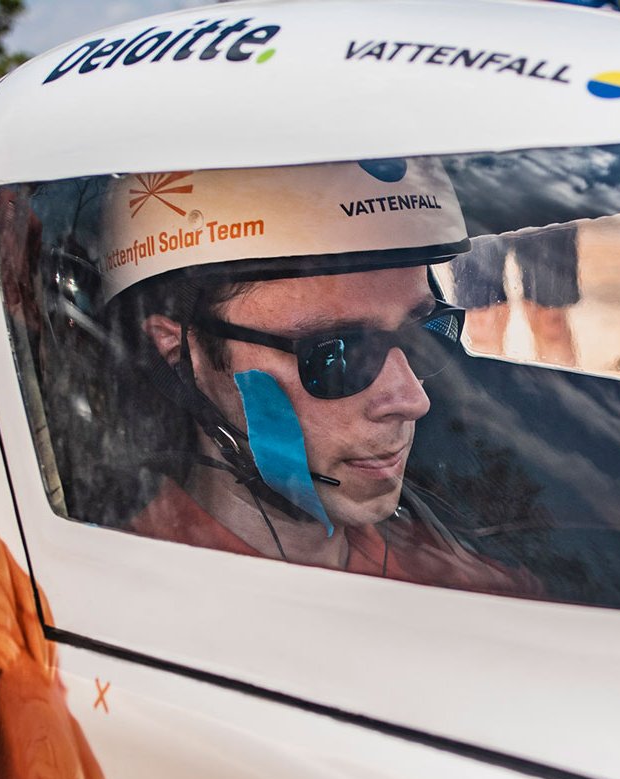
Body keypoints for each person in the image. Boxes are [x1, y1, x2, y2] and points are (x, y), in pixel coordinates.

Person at [100, 157, 532, 593]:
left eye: (419, 335)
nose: (412, 400)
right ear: (177, 353)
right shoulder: (111, 603)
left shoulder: (480, 587)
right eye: (333, 354)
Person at [452, 227, 582, 368]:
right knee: (481, 323)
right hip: (476, 211)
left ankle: (558, 386)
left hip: (537, 211)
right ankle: (486, 387)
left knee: (551, 322)